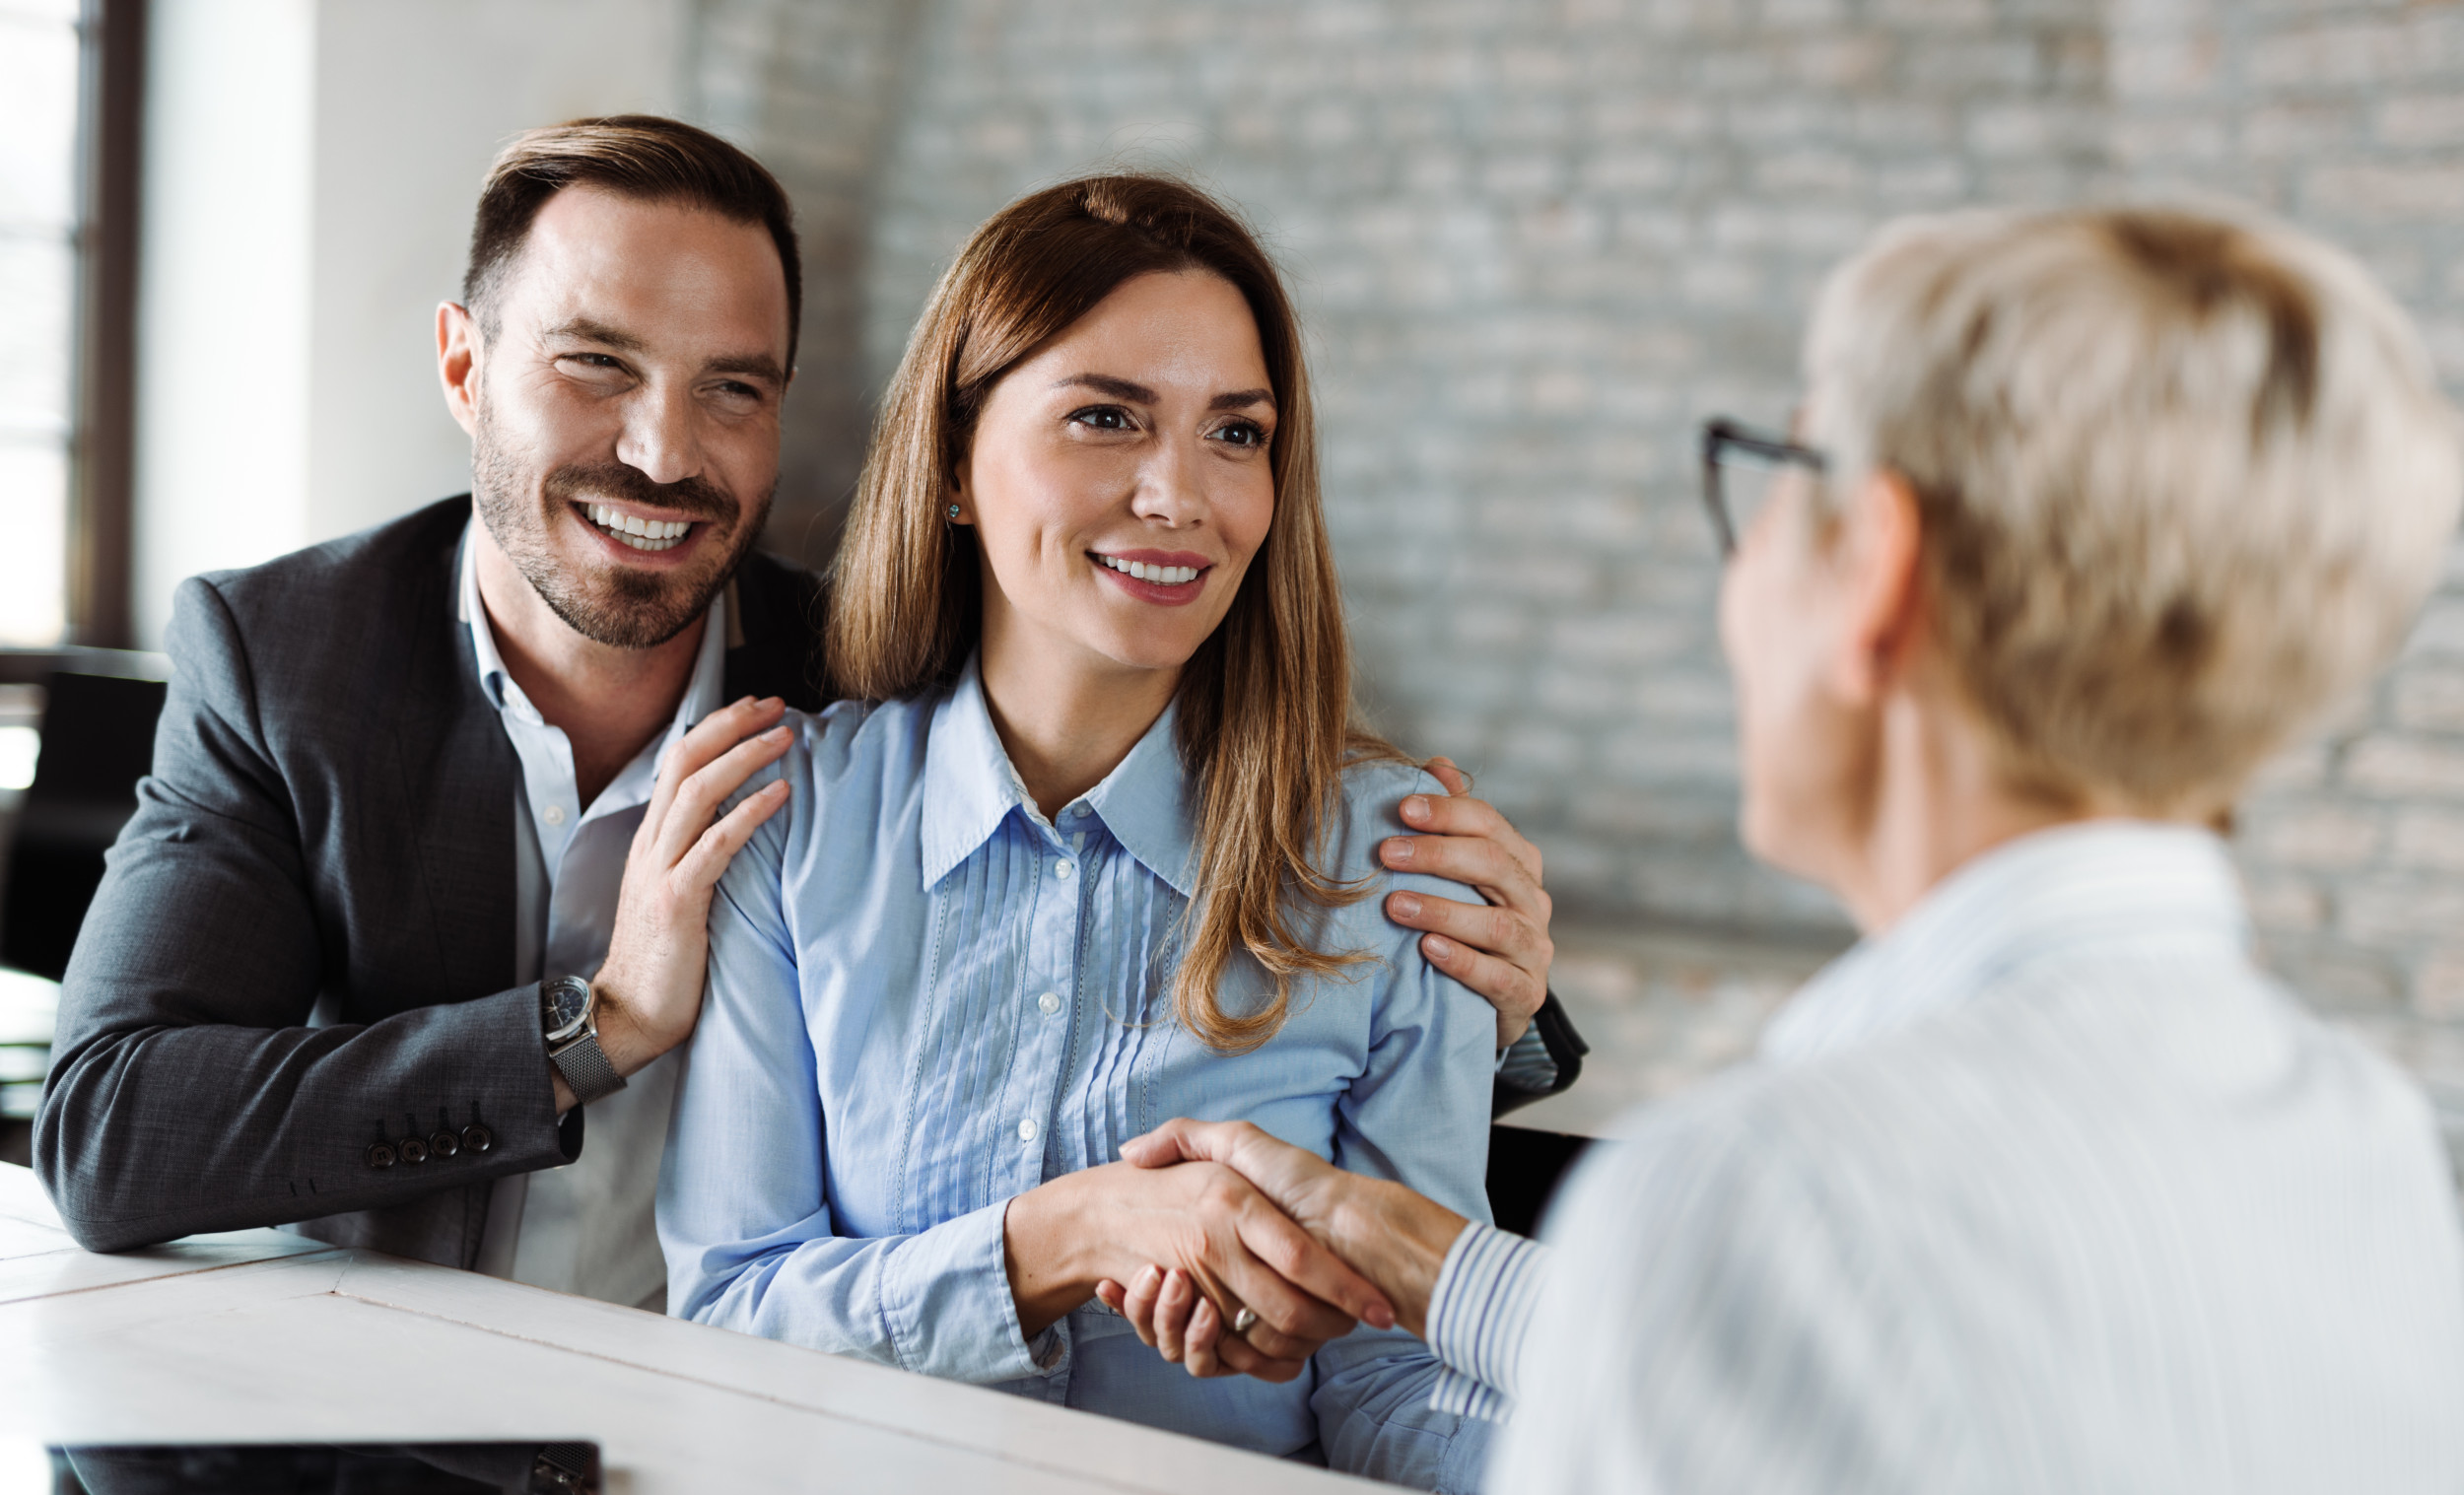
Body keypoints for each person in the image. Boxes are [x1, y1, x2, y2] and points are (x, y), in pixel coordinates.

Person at [867, 205, 2464, 1495]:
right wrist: (1420, 1263)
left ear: (1878, 573)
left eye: (1779, 479)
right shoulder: (2379, 1154)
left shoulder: (1764, 1197)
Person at [36, 117, 1568, 1313]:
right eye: (595, 365)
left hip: (756, 1412)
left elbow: (1188, 779)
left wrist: (1488, 1006)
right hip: (381, 1409)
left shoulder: (870, 678)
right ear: (465, 364)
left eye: (734, 390)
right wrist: (595, 1026)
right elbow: (111, 1131)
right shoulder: (290, 653)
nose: (662, 451)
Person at [656, 174, 1502, 1495]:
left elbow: (1403, 1383)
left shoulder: (1395, 860)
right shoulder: (792, 826)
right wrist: (1054, 1243)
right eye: (1107, 417)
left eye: (1236, 433)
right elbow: (729, 1317)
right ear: (952, 465)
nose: (1181, 495)